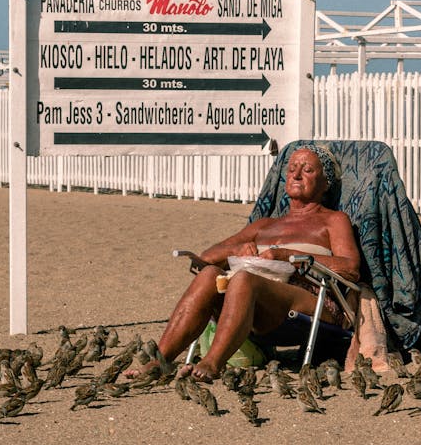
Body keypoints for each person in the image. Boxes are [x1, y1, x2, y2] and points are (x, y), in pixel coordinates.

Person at [150, 145, 361, 382]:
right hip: (255, 304)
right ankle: (161, 360)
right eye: (292, 169)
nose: (296, 174)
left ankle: (212, 362)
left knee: (244, 279)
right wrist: (236, 249)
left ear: (326, 183)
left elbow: (350, 267)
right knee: (209, 274)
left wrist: (286, 254)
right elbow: (207, 257)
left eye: (308, 170)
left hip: (312, 299)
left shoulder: (333, 220)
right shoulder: (265, 225)